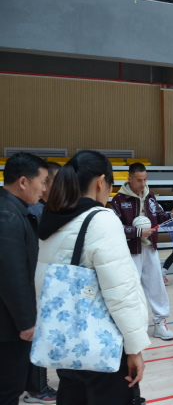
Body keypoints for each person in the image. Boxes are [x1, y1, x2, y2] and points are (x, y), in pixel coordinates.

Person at [36, 150, 149, 404]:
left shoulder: (53, 218)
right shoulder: (101, 220)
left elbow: (42, 282)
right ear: (101, 181)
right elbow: (120, 292)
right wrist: (134, 348)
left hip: (65, 341)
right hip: (101, 344)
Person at [0, 153, 49, 405]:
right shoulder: (8, 215)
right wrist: (26, 322)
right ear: (23, 182)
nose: (44, 189)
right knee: (9, 390)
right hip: (9, 326)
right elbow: (12, 275)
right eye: (42, 181)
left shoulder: (12, 209)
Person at [111, 163, 173, 341]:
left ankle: (160, 323)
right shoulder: (118, 200)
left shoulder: (150, 196)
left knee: (156, 286)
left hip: (150, 248)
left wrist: (172, 215)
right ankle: (131, 327)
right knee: (130, 289)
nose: (143, 184)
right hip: (130, 251)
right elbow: (115, 227)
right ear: (129, 179)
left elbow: (159, 216)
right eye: (139, 180)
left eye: (145, 179)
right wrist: (138, 232)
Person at [13, 161, 60, 404]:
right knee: (37, 335)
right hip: (34, 287)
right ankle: (37, 388)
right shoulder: (36, 211)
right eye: (51, 182)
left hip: (38, 284)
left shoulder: (42, 209)